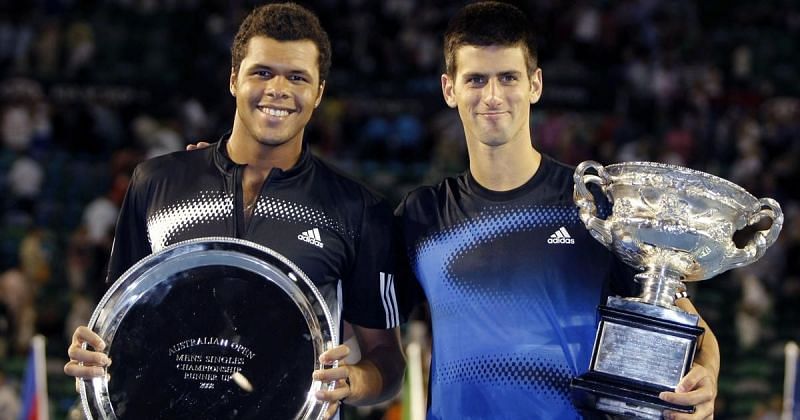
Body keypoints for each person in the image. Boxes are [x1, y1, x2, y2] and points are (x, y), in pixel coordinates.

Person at [62, 3, 404, 417]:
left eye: (297, 77)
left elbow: (387, 360)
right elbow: (123, 324)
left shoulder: (358, 210)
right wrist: (96, 352)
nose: (278, 89)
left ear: (319, 92)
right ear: (233, 80)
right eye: (262, 72)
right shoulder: (156, 183)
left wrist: (351, 380)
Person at [394, 2, 719, 419]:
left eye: (508, 78)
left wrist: (706, 376)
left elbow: (693, 326)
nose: (492, 96)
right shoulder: (421, 216)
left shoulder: (596, 208)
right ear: (449, 89)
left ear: (535, 84)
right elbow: (374, 337)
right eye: (475, 79)